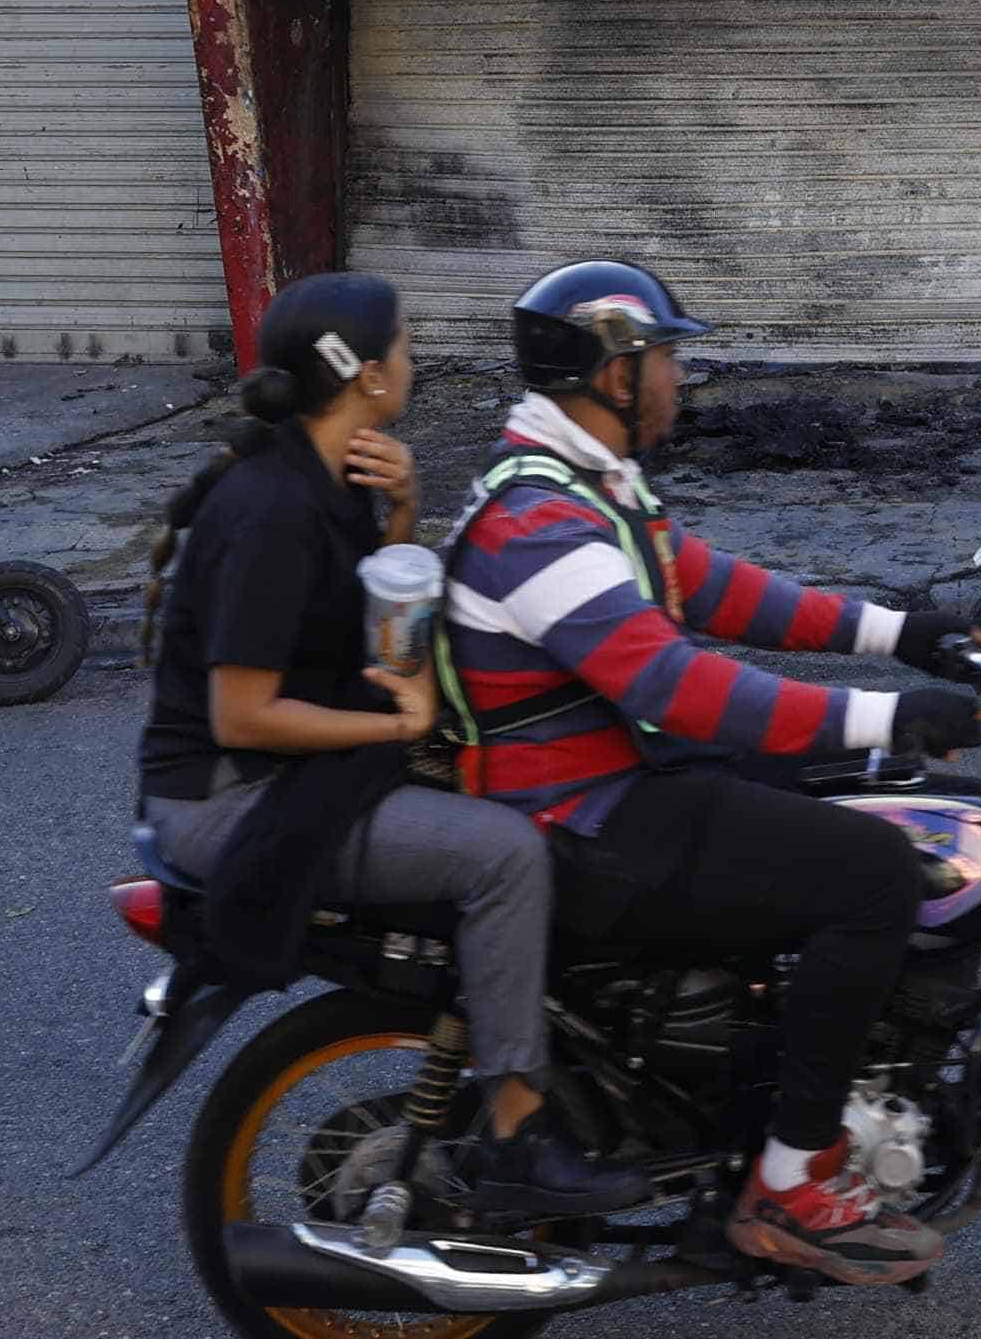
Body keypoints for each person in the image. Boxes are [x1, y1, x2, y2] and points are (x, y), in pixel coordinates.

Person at [446, 260, 981, 1287]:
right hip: (580, 816)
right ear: (612, 373)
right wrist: (890, 712)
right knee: (873, 874)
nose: (678, 379)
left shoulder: (594, 485)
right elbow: (678, 687)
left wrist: (907, 632)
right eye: (664, 358)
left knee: (836, 797)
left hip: (620, 784)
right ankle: (785, 1186)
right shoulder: (539, 523)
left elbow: (717, 589)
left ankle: (757, 1092)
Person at [136, 271, 640, 1219]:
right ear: (365, 374)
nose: (414, 357)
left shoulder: (327, 475)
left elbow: (373, 617)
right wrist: (399, 724)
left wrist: (404, 513)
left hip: (286, 767)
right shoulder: (271, 511)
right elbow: (241, 713)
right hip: (230, 795)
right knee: (504, 854)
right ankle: (518, 1130)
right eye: (404, 344)